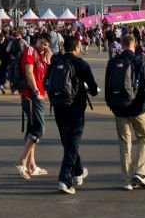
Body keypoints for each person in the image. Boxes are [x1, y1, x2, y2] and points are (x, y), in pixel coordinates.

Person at [46, 35, 100, 195]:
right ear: (76, 48)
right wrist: (88, 89)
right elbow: (94, 88)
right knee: (72, 142)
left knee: (67, 141)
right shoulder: (80, 64)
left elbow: (45, 83)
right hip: (75, 107)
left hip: (57, 106)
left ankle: (78, 171)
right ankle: (65, 179)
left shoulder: (55, 62)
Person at [104, 33, 145, 189]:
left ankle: (127, 180)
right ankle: (140, 172)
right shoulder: (140, 61)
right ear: (135, 44)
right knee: (144, 137)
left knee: (124, 144)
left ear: (122, 44)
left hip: (119, 109)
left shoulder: (113, 62)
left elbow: (108, 85)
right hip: (138, 108)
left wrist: (111, 105)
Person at [14, 32, 52, 180]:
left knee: (32, 130)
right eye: (42, 43)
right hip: (32, 96)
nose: (43, 46)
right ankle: (22, 161)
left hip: (37, 95)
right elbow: (29, 73)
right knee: (39, 129)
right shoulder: (30, 50)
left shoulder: (42, 55)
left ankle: (31, 165)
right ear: (37, 40)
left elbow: (45, 75)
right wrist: (36, 91)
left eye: (46, 45)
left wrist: (48, 60)